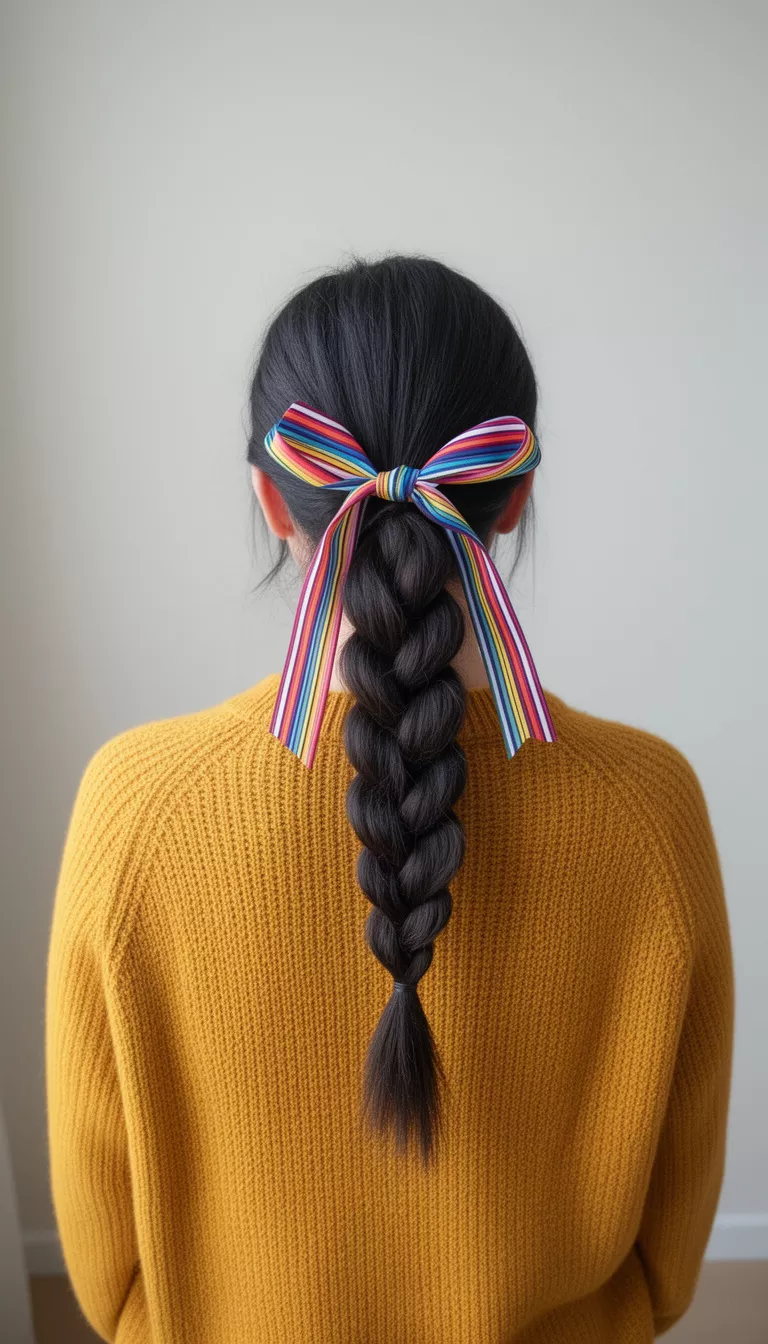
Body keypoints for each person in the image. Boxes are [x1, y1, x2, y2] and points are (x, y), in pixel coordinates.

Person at [45, 255, 734, 1343]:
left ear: (272, 497)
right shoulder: (653, 809)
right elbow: (670, 1254)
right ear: (514, 495)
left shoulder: (137, 811)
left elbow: (104, 1266)